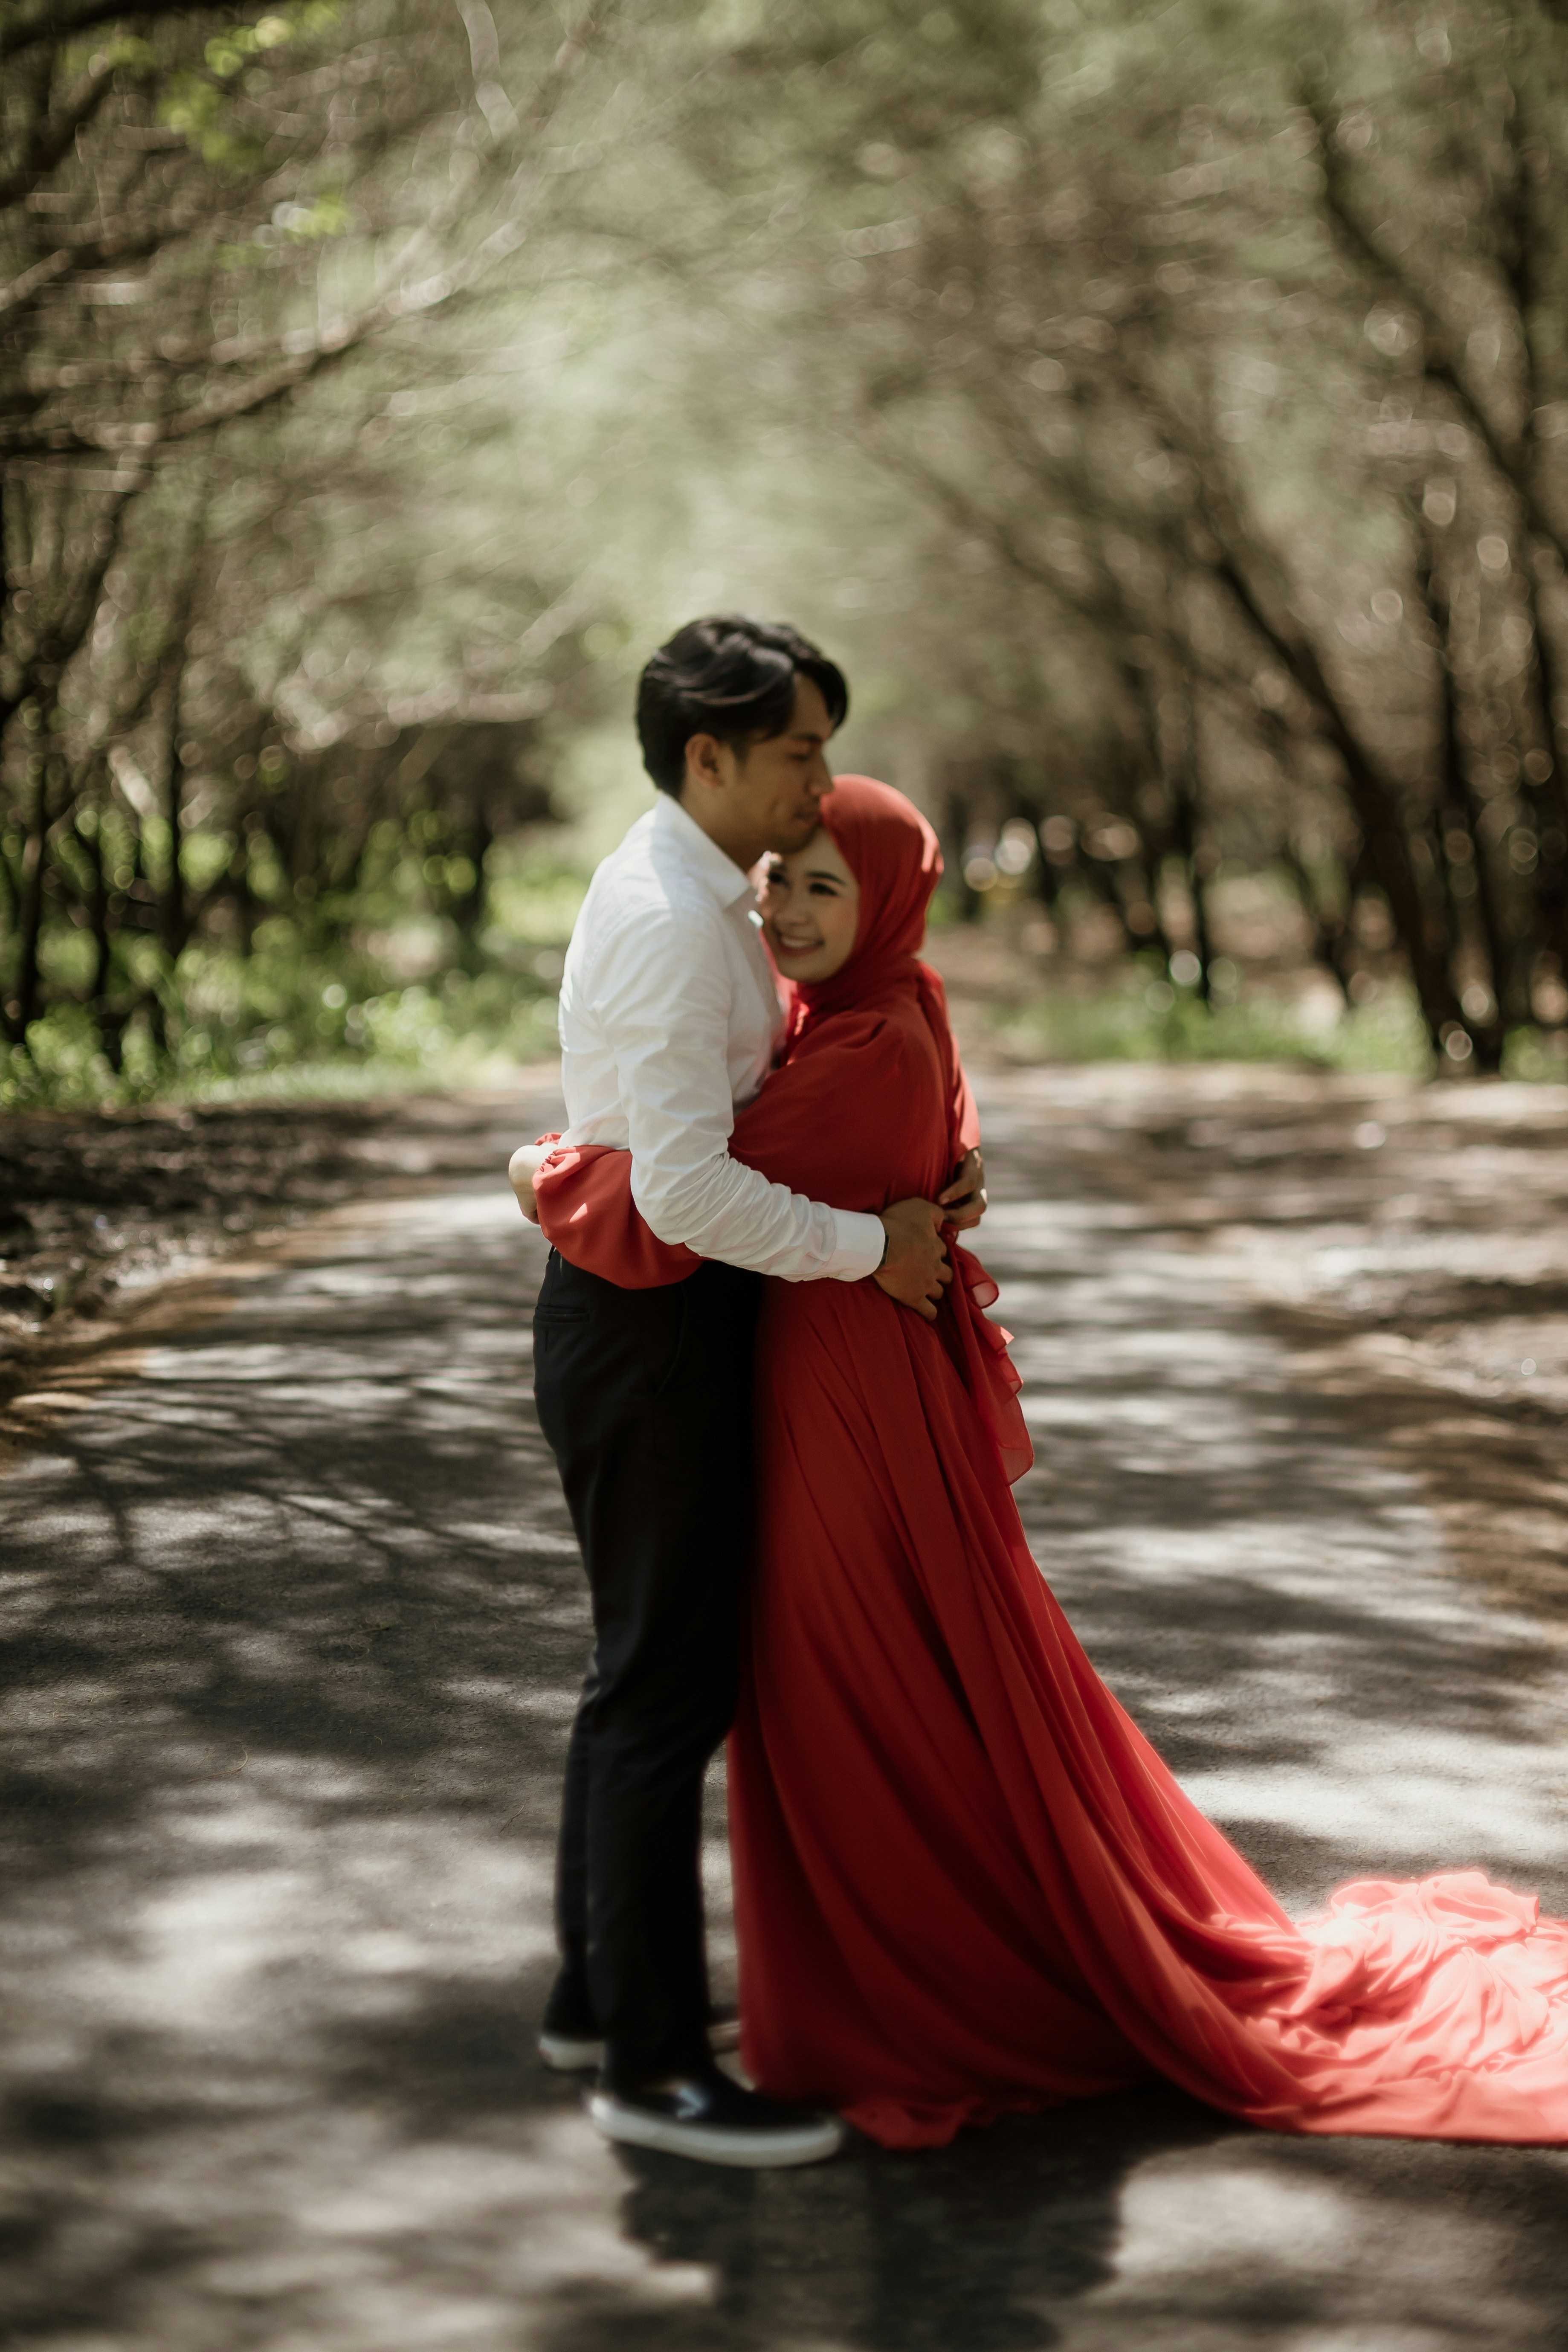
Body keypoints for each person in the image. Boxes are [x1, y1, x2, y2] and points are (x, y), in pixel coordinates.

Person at [525, 774, 1568, 2152]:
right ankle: (774, 1981)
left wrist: (548, 1168)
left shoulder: (866, 1046)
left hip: (841, 1418)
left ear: (889, 900)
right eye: (780, 878)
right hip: (840, 1399)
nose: (782, 906)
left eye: (825, 885)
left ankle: (909, 1988)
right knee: (868, 1691)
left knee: (856, 1695)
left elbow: (684, 1189)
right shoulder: (874, 1014)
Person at [518, 618, 960, 2170]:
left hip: (653, 1320)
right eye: (796, 752)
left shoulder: (717, 899)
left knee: (639, 1676)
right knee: (665, 1690)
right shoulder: (667, 915)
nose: (818, 781)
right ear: (707, 757)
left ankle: (598, 1997)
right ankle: (651, 2068)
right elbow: (693, 1189)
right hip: (644, 1328)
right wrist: (870, 1247)